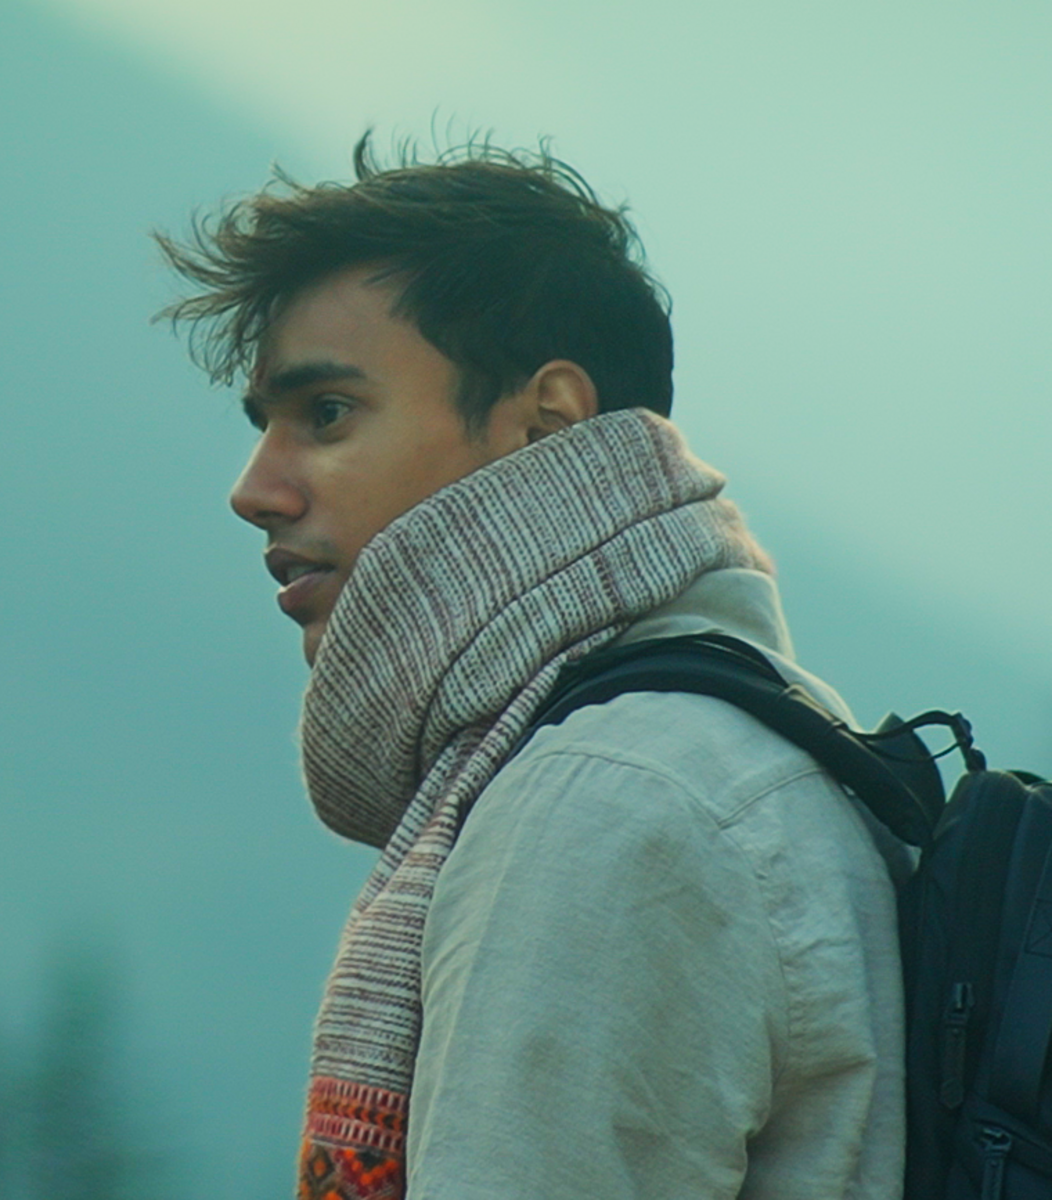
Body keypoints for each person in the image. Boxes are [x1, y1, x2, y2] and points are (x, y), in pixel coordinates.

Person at [156, 136, 908, 1200]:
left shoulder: (608, 799)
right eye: (264, 426)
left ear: (545, 421)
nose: (255, 490)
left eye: (325, 414)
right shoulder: (727, 732)